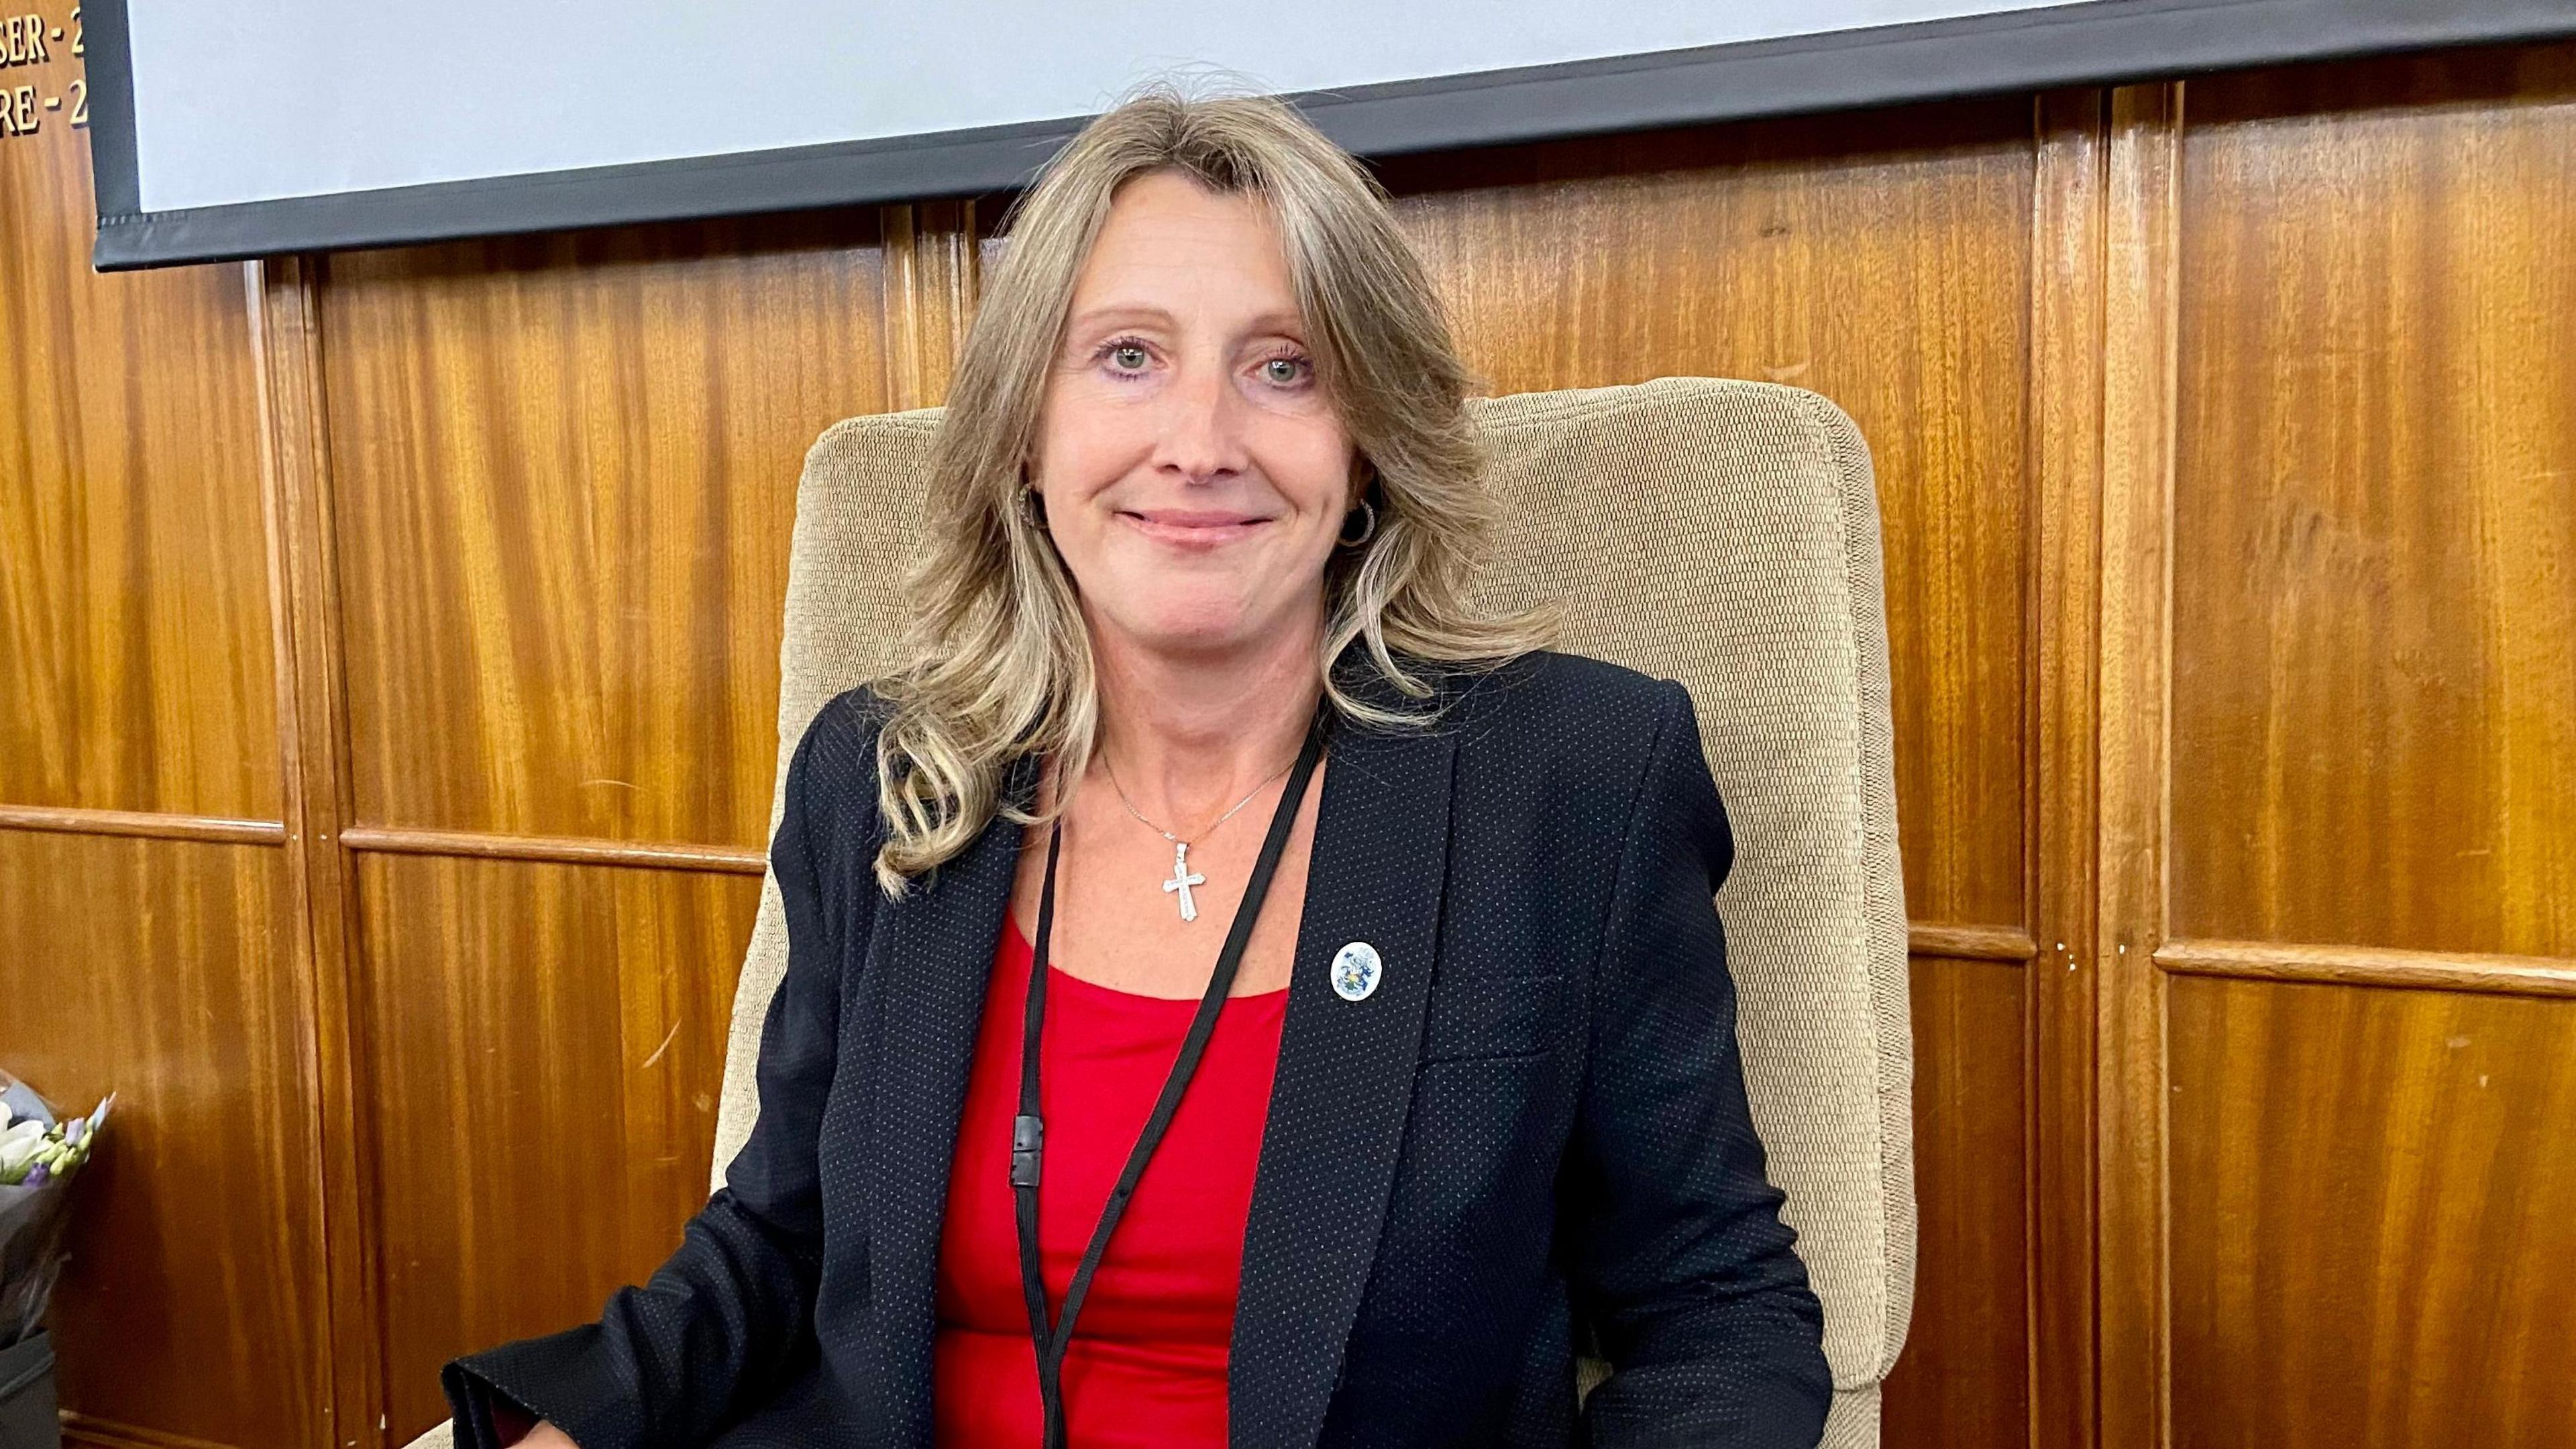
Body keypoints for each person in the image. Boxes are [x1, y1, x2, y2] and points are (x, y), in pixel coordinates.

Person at [442, 79, 1830, 1449]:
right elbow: (778, 1238)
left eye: (1285, 366)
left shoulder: (1574, 779)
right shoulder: (887, 773)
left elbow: (1719, 1316)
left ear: (1368, 449)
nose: (1202, 443)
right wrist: (567, 1430)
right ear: (1025, 432)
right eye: (1127, 357)